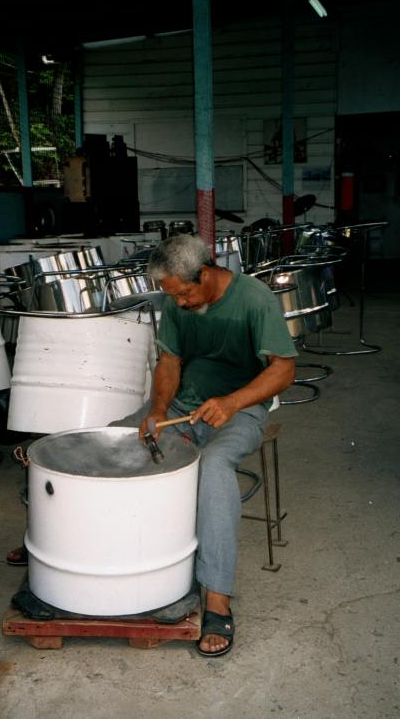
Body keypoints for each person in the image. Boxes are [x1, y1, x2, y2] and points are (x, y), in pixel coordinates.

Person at [114, 233, 297, 657]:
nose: (179, 304)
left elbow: (284, 370)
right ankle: (78, 550)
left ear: (206, 273)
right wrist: (159, 410)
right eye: (172, 296)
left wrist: (232, 402)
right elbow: (169, 363)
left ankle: (217, 598)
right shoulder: (177, 301)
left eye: (183, 294)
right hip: (184, 407)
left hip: (241, 410)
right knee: (115, 440)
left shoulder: (255, 299)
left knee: (213, 467)